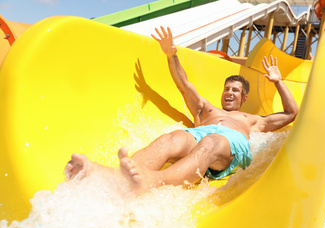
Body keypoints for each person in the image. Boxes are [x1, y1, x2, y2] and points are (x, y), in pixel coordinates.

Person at [65, 26, 299, 194]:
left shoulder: (251, 119)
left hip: (228, 143)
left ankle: (152, 181)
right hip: (199, 136)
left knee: (212, 142)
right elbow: (184, 85)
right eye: (227, 89)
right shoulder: (206, 110)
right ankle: (114, 178)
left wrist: (278, 81)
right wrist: (171, 55)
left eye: (235, 90)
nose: (229, 93)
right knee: (171, 139)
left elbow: (290, 114)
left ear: (244, 97)